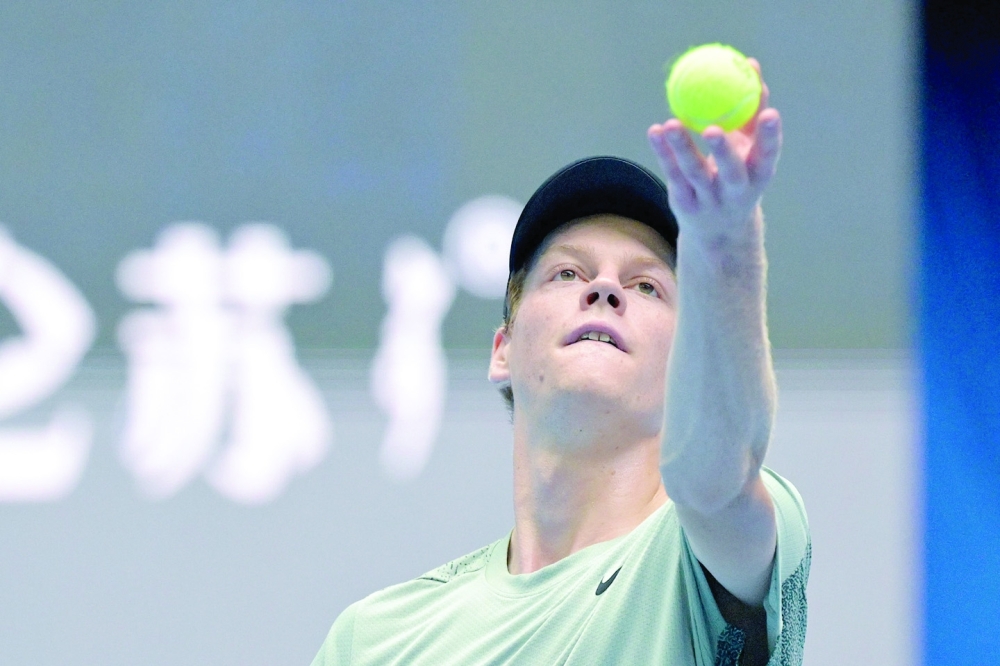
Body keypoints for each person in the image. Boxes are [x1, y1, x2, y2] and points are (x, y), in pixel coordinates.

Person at [312, 58, 809, 666]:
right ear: (503, 349)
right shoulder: (377, 639)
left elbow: (715, 481)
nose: (605, 290)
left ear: (687, 361)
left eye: (647, 285)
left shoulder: (703, 551)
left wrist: (727, 246)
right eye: (567, 272)